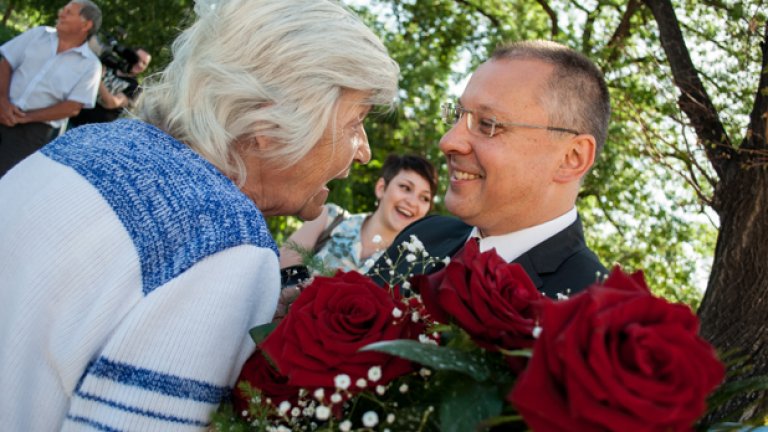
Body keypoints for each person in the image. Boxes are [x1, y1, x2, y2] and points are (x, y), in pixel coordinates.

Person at [0, 0, 398, 430]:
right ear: (269, 119)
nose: (365, 152)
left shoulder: (92, 143)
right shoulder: (228, 243)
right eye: (356, 122)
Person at [372, 40, 610, 298]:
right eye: (457, 115)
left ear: (571, 157)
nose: (448, 141)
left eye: (487, 124)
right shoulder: (423, 235)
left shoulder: (596, 310)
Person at [279, 154, 438, 275]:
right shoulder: (329, 218)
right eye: (405, 187)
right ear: (381, 188)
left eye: (424, 198)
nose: (412, 202)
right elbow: (281, 276)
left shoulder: (410, 266)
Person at [0, 0, 101, 177]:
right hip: (2, 106)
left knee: (6, 179)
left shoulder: (91, 66)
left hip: (31, 133)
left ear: (86, 25)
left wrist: (25, 118)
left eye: (69, 12)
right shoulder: (38, 34)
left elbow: (73, 107)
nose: (61, 13)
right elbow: (6, 62)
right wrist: (2, 101)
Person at [68, 47, 152, 127]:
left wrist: (97, 78)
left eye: (144, 63)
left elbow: (111, 103)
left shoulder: (135, 88)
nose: (140, 64)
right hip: (68, 113)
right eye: (137, 59)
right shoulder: (108, 64)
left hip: (90, 129)